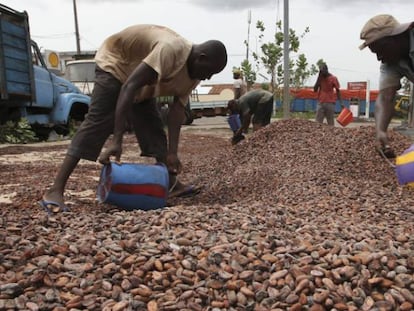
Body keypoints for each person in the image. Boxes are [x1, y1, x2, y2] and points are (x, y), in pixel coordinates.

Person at [39, 24, 227, 213]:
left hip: (141, 81)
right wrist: (117, 140)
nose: (209, 78)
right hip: (117, 65)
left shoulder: (194, 75)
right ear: (201, 58)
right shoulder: (171, 49)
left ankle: (172, 184)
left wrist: (172, 153)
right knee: (98, 122)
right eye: (210, 72)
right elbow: (128, 87)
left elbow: (176, 112)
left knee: (153, 128)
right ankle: (55, 190)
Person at [359, 14, 414, 158]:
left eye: (381, 49)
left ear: (397, 36)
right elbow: (385, 97)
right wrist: (381, 130)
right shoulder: (389, 62)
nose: (379, 57)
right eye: (375, 53)